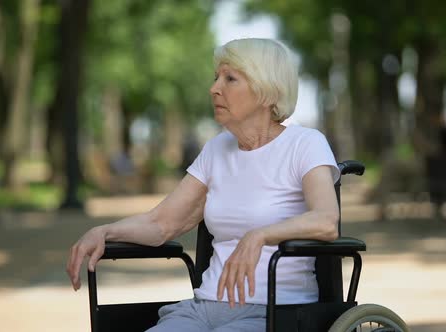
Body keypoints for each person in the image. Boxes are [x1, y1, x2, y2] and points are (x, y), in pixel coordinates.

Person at [66, 38, 341, 331]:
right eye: (216, 78)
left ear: (266, 91)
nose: (214, 88)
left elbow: (326, 221)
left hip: (275, 314)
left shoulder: (304, 144)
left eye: (230, 79)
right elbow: (161, 224)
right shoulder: (216, 150)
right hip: (202, 309)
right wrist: (105, 231)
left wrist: (260, 235)